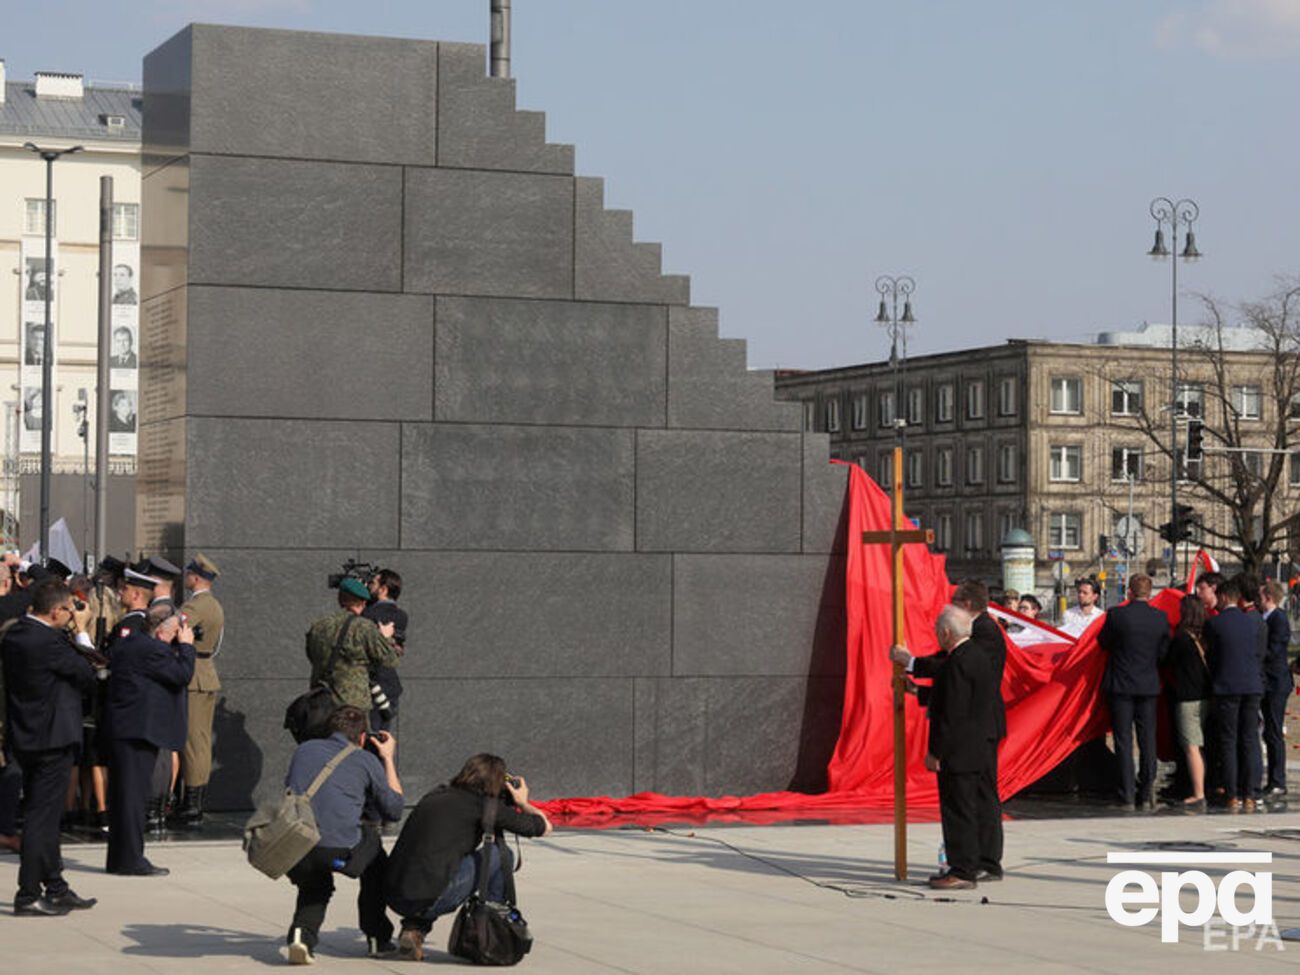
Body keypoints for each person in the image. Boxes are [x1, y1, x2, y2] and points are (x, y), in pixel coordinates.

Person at [386, 753, 552, 960]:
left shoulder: (436, 794)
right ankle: (490, 929)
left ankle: (413, 930)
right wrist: (523, 801)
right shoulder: (484, 806)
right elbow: (543, 826)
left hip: (395, 896)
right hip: (429, 898)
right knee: (501, 855)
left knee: (440, 867)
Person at [1, 580, 98, 915]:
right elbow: (91, 672)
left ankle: (55, 885)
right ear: (56, 611)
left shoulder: (15, 634)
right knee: (42, 818)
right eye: (69, 609)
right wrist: (82, 631)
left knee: (45, 814)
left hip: (26, 736)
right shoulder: (50, 643)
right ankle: (28, 894)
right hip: (53, 740)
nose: (73, 614)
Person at [283, 706, 404, 964]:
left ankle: (301, 937)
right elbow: (394, 810)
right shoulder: (366, 759)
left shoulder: (304, 750)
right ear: (362, 737)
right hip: (338, 851)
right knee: (374, 855)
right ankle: (378, 937)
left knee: (316, 886)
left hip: (295, 847)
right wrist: (388, 759)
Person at [893, 606, 997, 890]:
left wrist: (935, 752)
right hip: (974, 747)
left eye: (938, 630)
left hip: (958, 750)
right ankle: (970, 863)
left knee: (957, 811)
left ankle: (962, 870)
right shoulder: (973, 656)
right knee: (968, 807)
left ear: (947, 632)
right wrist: (917, 691)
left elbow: (950, 714)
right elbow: (952, 696)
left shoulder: (957, 661)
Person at [104, 604, 194, 876]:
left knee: (122, 796)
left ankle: (119, 858)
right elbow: (182, 674)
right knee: (133, 796)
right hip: (138, 731)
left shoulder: (129, 642)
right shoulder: (153, 649)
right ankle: (132, 859)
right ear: (163, 631)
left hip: (123, 728)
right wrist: (187, 648)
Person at [1097, 574, 1169, 811]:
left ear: (1129, 592)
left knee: (1123, 741)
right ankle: (1147, 791)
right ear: (1150, 594)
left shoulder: (1117, 615)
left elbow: (1103, 642)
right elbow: (1163, 652)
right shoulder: (1160, 618)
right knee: (1147, 739)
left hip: (1121, 684)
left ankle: (1127, 793)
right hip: (1148, 684)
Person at [1204, 575, 1265, 810]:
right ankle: (1249, 792)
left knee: (1228, 741)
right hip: (1251, 686)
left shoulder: (1215, 624)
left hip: (1227, 686)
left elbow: (1213, 657)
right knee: (1249, 739)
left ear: (1223, 597)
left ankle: (1232, 793)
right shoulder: (1255, 621)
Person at [172, 554, 225, 828]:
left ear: (195, 577)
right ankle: (194, 802)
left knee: (193, 743)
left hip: (194, 675)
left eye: (188, 574)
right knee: (200, 741)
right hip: (205, 674)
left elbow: (171, 630)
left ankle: (191, 805)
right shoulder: (213, 605)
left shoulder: (197, 606)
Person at [305, 578, 400, 715]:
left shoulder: (318, 626)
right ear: (363, 602)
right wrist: (386, 638)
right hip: (352, 708)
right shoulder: (363, 627)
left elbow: (311, 655)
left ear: (340, 599)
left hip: (321, 704)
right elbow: (390, 660)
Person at [1166, 593, 1211, 811]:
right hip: (1206, 695)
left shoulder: (1181, 638)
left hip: (1188, 698)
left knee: (1191, 746)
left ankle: (1198, 793)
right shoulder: (1204, 635)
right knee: (1202, 745)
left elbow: (1168, 661)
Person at [362, 569, 406, 732]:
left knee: (369, 738)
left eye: (372, 583)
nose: (368, 587)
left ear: (383, 589)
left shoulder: (368, 614)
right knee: (382, 737)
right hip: (389, 686)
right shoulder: (401, 615)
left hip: (373, 687)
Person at [1259, 579, 1292, 796]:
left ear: (1268, 598)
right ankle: (1273, 778)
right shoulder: (1266, 618)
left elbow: (1275, 650)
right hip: (1267, 681)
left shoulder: (1278, 619)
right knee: (1269, 731)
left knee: (1273, 731)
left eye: (1260, 596)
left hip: (1275, 682)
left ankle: (1277, 780)